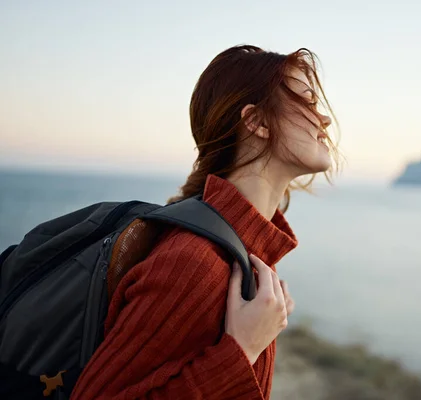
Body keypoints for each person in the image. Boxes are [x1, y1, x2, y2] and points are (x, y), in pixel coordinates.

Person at [70, 44, 340, 399]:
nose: (325, 120)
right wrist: (242, 350)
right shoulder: (192, 262)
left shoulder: (239, 257)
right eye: (307, 101)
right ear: (256, 121)